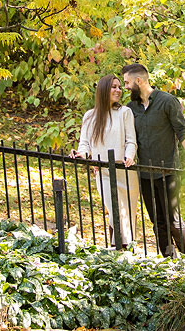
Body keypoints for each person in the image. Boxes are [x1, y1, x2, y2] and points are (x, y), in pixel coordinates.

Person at [121, 63, 185, 257]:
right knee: (157, 222)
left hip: (168, 172)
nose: (125, 87)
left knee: (173, 220)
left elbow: (182, 131)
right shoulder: (130, 109)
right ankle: (168, 261)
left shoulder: (167, 101)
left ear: (138, 81)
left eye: (127, 83)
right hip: (145, 173)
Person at [74, 74, 138, 248]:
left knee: (128, 214)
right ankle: (121, 248)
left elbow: (131, 140)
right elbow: (85, 143)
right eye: (114, 87)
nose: (118, 90)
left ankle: (121, 250)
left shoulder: (125, 113)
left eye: (119, 87)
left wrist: (129, 156)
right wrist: (83, 155)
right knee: (115, 211)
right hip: (103, 172)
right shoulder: (90, 116)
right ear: (103, 90)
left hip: (125, 172)